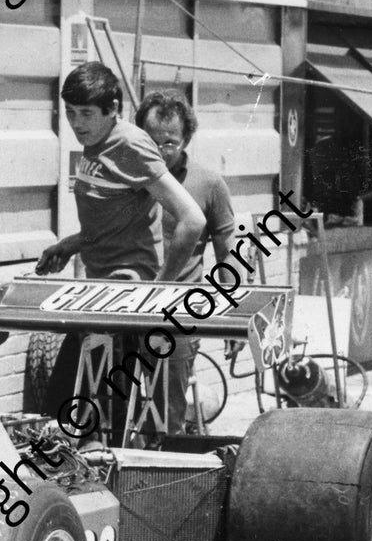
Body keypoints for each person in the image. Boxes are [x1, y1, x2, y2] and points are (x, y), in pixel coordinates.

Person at [34, 63, 205, 438]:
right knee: (88, 415)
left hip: (126, 292)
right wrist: (70, 244)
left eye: (87, 114)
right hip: (101, 287)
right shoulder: (95, 146)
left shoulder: (129, 144)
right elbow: (114, 219)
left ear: (113, 109)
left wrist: (161, 287)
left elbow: (192, 219)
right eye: (71, 113)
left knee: (72, 408)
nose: (77, 124)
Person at [133, 90, 236, 433]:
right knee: (111, 404)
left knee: (167, 412)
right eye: (151, 141)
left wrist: (233, 318)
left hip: (178, 314)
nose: (160, 151)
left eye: (170, 143)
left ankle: (166, 467)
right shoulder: (127, 179)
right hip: (126, 305)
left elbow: (227, 258)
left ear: (186, 140)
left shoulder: (208, 183)